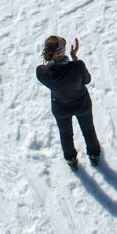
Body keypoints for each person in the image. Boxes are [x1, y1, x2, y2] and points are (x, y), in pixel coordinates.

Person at [35, 36, 102, 168]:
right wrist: (74, 57)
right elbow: (87, 80)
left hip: (61, 109)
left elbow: (44, 68)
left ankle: (71, 160)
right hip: (82, 105)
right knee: (88, 130)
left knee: (66, 135)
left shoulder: (44, 73)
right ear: (65, 50)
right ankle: (94, 155)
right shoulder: (78, 66)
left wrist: (52, 61)